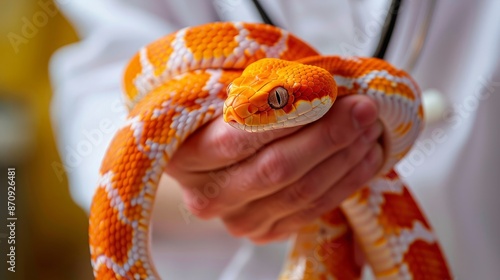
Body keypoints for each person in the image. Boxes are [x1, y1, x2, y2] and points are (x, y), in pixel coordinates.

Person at [50, 0, 500, 279]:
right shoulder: (250, 94)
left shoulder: (351, 84)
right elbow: (105, 84)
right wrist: (196, 180)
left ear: (323, 90)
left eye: (278, 100)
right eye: (237, 94)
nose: (238, 110)